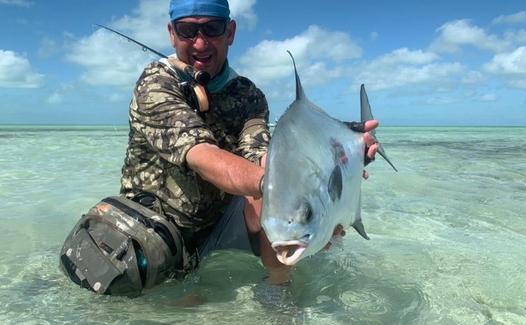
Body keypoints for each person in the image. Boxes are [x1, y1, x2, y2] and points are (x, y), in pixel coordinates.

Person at [60, 0, 380, 296]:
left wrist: (323, 170)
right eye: (188, 30)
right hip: (157, 231)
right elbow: (203, 156)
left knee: (296, 212)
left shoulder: (248, 95)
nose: (201, 43)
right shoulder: (156, 83)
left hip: (217, 227)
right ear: (172, 34)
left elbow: (259, 154)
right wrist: (281, 185)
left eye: (212, 28)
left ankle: (277, 292)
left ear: (230, 32)